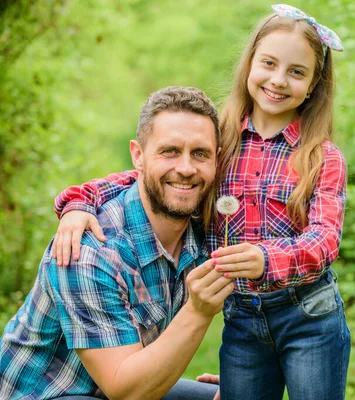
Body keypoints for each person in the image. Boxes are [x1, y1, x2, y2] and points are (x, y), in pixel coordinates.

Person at [51, 4, 350, 399]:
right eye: (269, 64)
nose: (278, 80)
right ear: (249, 67)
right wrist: (79, 202)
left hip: (309, 314)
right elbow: (153, 176)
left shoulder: (321, 156)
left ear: (312, 85)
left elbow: (326, 238)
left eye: (297, 72)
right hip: (242, 318)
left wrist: (266, 259)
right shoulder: (221, 142)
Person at [0, 86, 232, 400]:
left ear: (216, 160)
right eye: (170, 151)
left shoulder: (204, 227)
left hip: (112, 383)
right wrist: (199, 312)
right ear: (138, 155)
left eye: (200, 153)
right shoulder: (89, 250)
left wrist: (240, 375)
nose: (187, 168)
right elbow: (126, 392)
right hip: (47, 394)